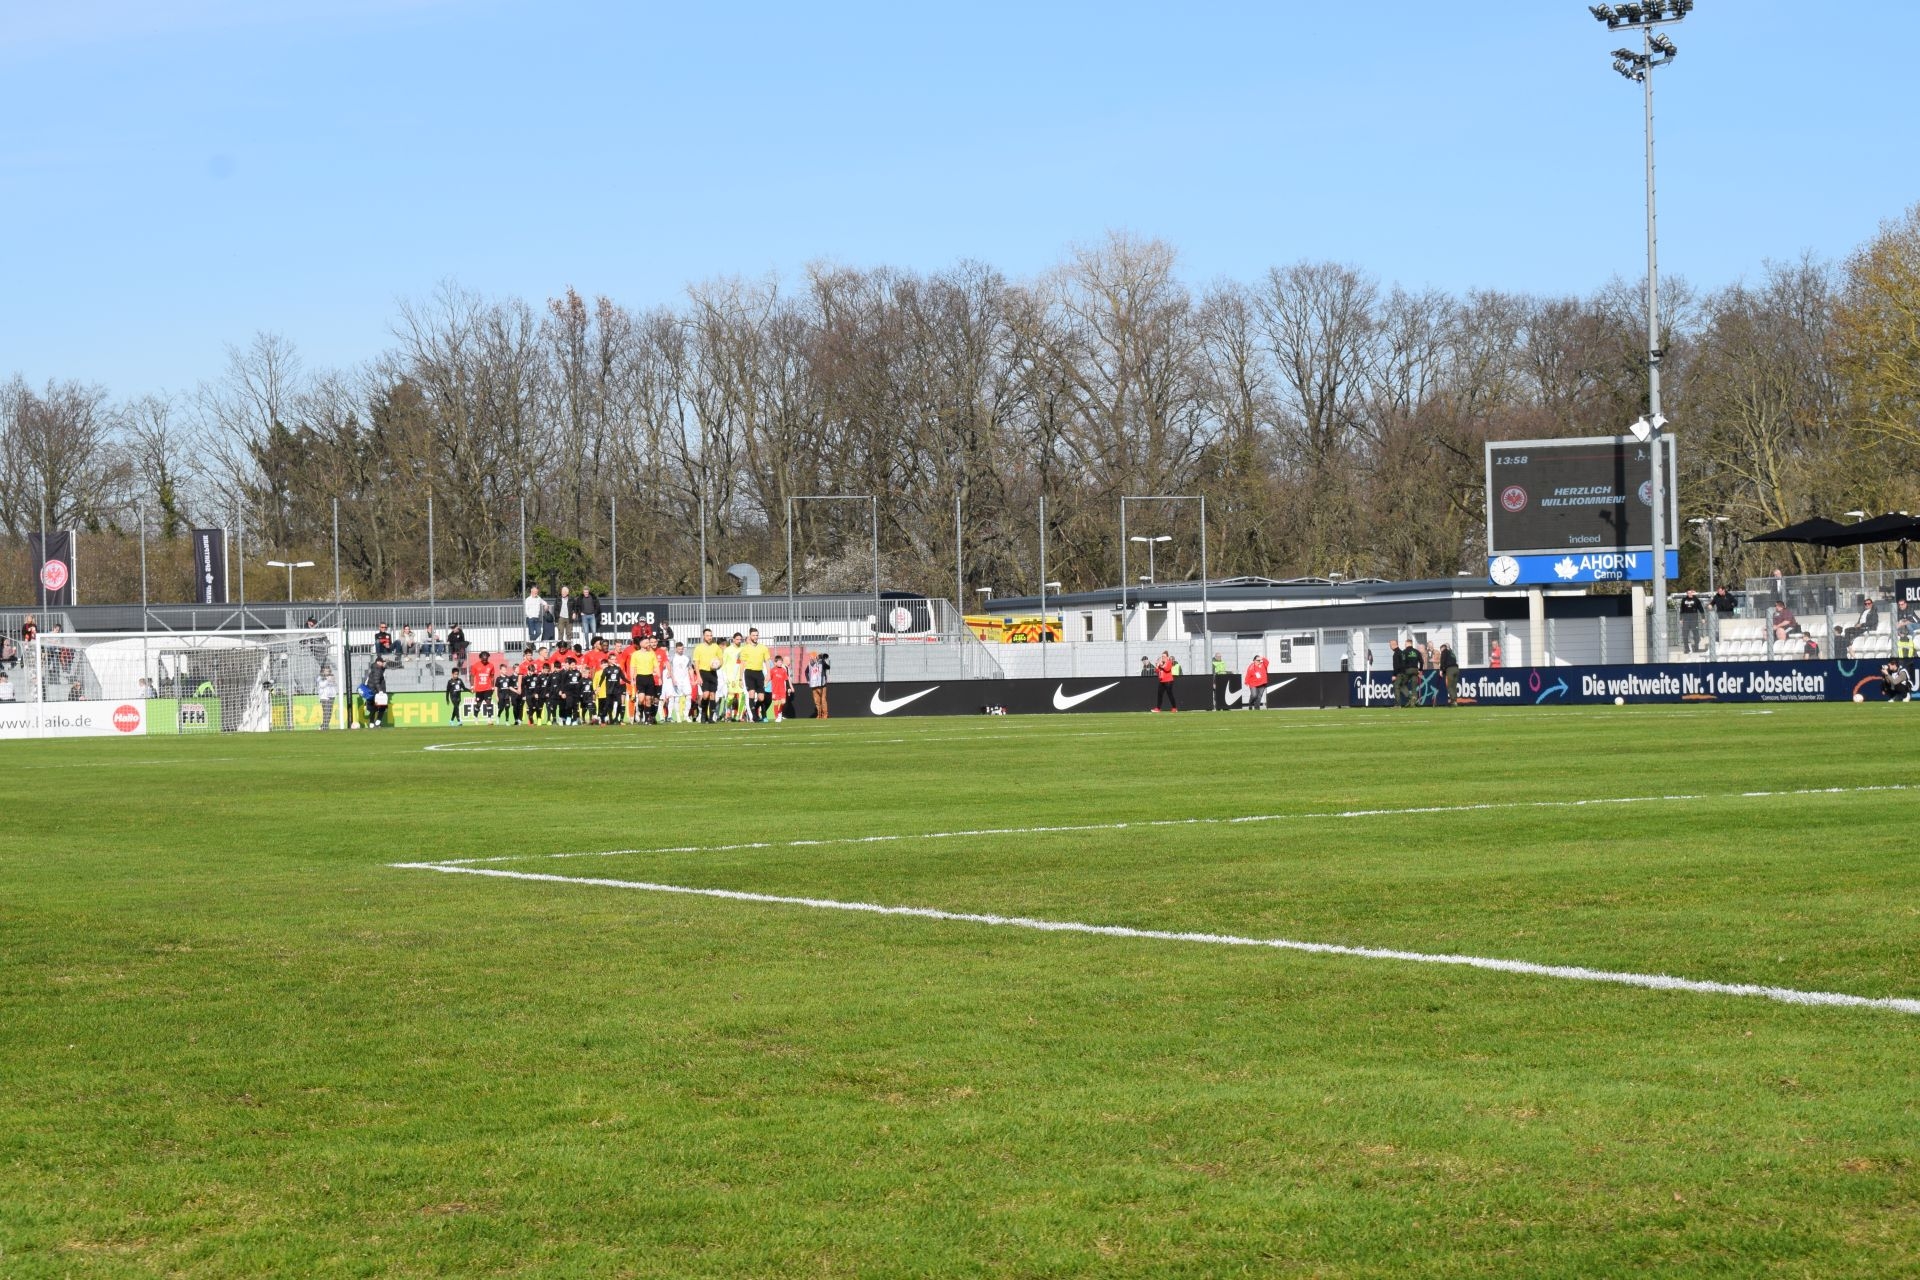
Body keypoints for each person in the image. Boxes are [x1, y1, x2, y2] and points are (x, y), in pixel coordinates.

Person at [693, 627, 724, 723]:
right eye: (707, 635)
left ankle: (711, 717)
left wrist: (718, 665)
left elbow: (721, 659)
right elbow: (696, 662)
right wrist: (698, 676)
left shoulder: (716, 647)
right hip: (703, 673)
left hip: (713, 673)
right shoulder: (699, 647)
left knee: (713, 694)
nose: (710, 637)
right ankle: (703, 713)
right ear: (703, 636)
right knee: (705, 695)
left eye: (711, 635)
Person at [740, 627, 771, 722]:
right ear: (750, 636)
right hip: (749, 673)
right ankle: (754, 717)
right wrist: (740, 678)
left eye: (757, 635)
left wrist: (768, 674)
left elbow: (767, 661)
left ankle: (752, 711)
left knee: (761, 697)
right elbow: (742, 664)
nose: (755, 637)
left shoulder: (763, 648)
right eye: (753, 635)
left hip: (759, 673)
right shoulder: (745, 649)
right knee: (751, 694)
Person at [468, 650, 497, 719]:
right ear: (480, 658)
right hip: (479, 689)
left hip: (488, 688)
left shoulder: (491, 665)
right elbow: (472, 676)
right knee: (478, 704)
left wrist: (492, 686)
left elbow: (492, 677)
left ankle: (489, 719)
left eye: (486, 659)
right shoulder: (475, 665)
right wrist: (472, 686)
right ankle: (475, 715)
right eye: (483, 659)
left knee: (488, 702)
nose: (485, 661)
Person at [365, 658, 390, 728]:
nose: (383, 663)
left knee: (373, 708)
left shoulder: (375, 668)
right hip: (376, 692)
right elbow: (376, 681)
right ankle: (377, 722)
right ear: (378, 662)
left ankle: (372, 723)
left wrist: (385, 665)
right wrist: (380, 690)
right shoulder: (378, 669)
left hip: (371, 691)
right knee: (382, 707)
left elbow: (380, 674)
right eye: (382, 662)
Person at [768, 653, 791, 722]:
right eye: (779, 662)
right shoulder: (772, 670)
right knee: (776, 703)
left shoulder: (783, 670)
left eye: (781, 662)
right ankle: (776, 717)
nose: (780, 663)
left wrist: (788, 687)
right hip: (775, 690)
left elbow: (786, 680)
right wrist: (765, 683)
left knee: (783, 702)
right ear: (775, 663)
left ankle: (779, 712)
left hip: (782, 689)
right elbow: (769, 678)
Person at [1438, 642, 1460, 706]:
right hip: (1456, 669)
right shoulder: (1452, 653)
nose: (1441, 651)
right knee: (1454, 686)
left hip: (1450, 670)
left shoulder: (1444, 652)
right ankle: (1455, 700)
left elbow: (1442, 661)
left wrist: (1441, 670)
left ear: (1443, 648)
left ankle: (1453, 701)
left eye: (1440, 650)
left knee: (1449, 686)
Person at [809, 651, 830, 719]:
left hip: (822, 685)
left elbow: (828, 667)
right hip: (814, 685)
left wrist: (823, 660)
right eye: (810, 656)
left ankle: (825, 714)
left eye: (812, 656)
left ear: (816, 657)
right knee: (817, 701)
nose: (811, 658)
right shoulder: (810, 664)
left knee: (823, 700)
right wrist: (808, 680)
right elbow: (806, 671)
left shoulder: (821, 663)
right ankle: (819, 715)